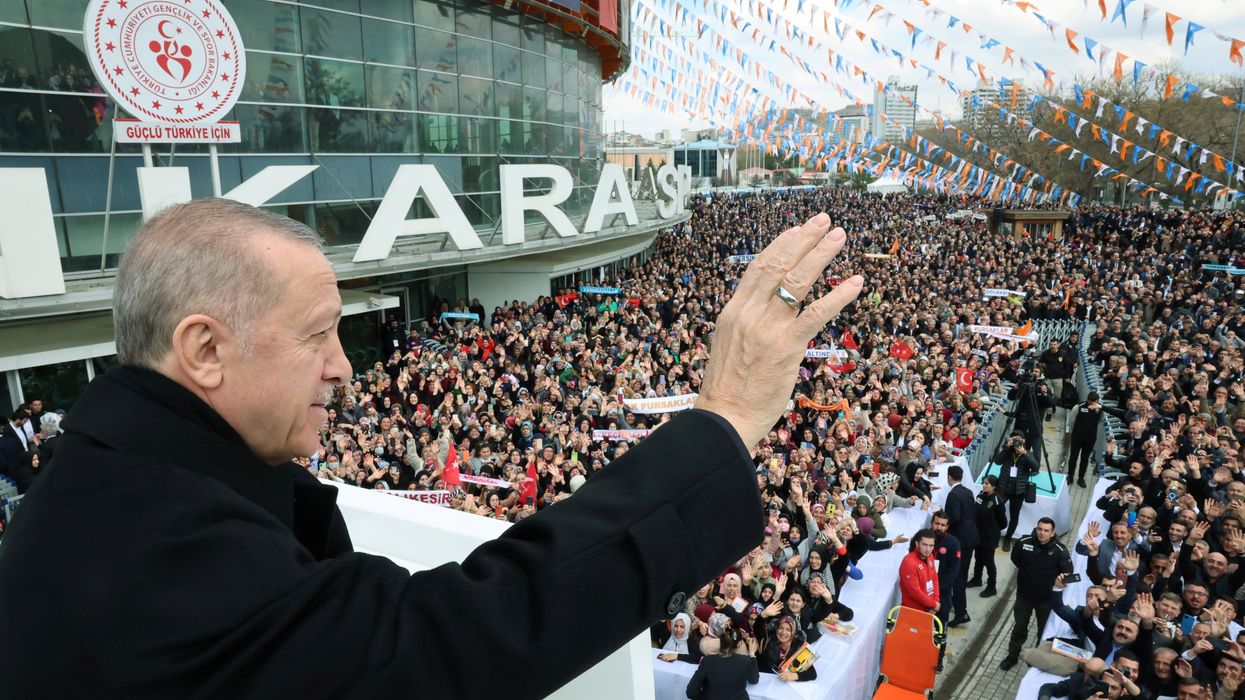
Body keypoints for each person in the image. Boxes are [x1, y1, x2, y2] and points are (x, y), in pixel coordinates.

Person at [0, 200, 865, 697]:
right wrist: (723, 418)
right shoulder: (143, 533)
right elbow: (438, 646)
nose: (344, 368)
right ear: (204, 349)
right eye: (319, 334)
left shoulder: (126, 477)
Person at [1000, 517, 1073, 671]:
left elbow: (1068, 574)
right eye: (1040, 529)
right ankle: (1012, 656)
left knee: (1043, 632)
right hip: (1024, 596)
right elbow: (1015, 559)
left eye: (1046, 530)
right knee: (1019, 628)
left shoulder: (1060, 551)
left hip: (1046, 601)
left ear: (1052, 533)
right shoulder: (1023, 543)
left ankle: (1037, 659)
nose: (1042, 533)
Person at [942, 464, 979, 626]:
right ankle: (958, 607)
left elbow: (954, 518)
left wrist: (943, 518)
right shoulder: (968, 491)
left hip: (960, 540)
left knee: (957, 577)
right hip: (970, 538)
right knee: (962, 574)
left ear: (949, 477)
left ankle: (961, 612)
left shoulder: (953, 495)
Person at [684, 626, 759, 700]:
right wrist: (752, 654)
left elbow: (691, 692)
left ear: (721, 642)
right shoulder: (745, 661)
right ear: (739, 644)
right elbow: (754, 679)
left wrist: (706, 697)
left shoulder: (708, 661)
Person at [995, 431, 1040, 550]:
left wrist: (1024, 453)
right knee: (996, 510)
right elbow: (997, 461)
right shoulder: (1007, 451)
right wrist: (1006, 447)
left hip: (1018, 491)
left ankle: (1008, 538)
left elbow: (1036, 467)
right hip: (1003, 487)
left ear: (1023, 440)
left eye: (1018, 439)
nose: (1016, 441)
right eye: (1014, 439)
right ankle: (995, 533)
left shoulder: (1028, 453)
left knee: (1014, 516)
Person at [967, 475, 1007, 598]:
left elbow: (1003, 523)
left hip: (989, 537)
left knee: (989, 562)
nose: (984, 485)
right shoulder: (980, 496)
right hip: (978, 534)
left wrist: (991, 527)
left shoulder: (997, 501)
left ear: (994, 487)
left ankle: (991, 587)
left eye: (987, 484)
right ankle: (977, 578)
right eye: (983, 483)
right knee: (978, 557)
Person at [899, 528, 940, 614]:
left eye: (931, 546)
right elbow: (914, 591)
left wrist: (936, 601)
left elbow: (934, 578)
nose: (928, 549)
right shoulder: (909, 562)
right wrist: (933, 604)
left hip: (929, 608)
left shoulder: (930, 556)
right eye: (924, 545)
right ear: (917, 543)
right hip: (912, 611)